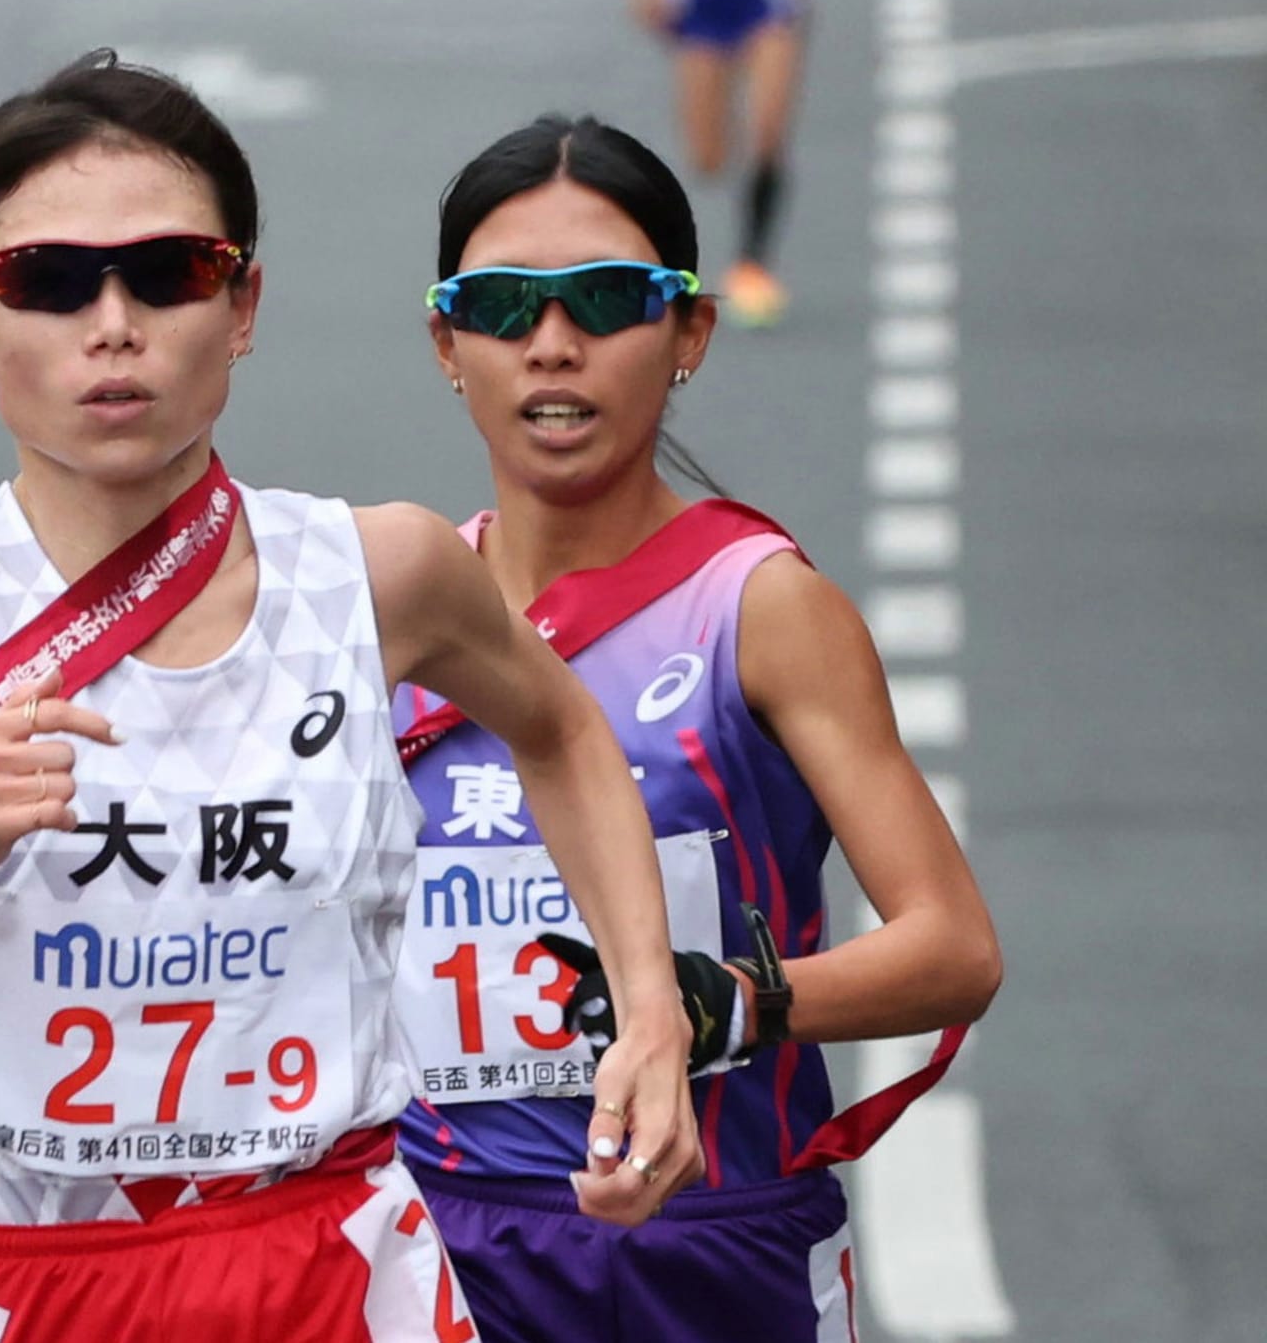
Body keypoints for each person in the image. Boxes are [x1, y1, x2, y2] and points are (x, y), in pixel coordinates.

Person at [0, 52, 699, 1342]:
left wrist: (649, 1007)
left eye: (168, 272)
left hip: (339, 1261)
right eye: (44, 281)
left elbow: (563, 729)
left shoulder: (382, 572)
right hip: (22, 1282)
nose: (112, 323)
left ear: (242, 302)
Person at [394, 112, 1003, 1342]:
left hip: (711, 1252)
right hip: (432, 1244)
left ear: (688, 334)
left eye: (607, 300)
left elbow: (953, 949)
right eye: (504, 304)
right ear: (447, 344)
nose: (552, 346)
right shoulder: (401, 608)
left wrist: (729, 1003)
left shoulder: (761, 609)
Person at [629, 0, 808, 325]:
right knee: (708, 159)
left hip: (765, 0)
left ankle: (752, 265)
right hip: (699, 3)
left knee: (768, 131)